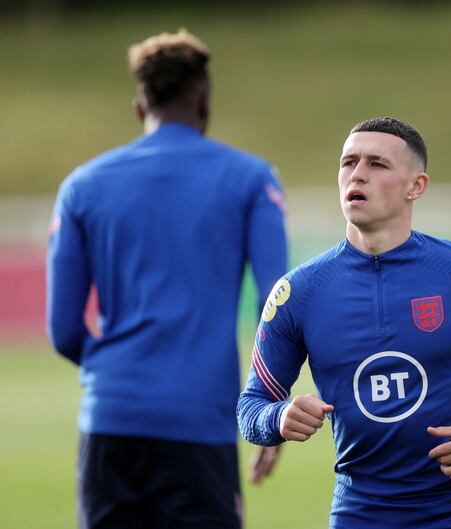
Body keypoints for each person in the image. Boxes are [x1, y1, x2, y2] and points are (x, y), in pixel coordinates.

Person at [237, 116, 451, 528]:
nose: (357, 174)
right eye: (348, 162)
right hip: (360, 512)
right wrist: (277, 419)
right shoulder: (299, 293)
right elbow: (251, 407)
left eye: (377, 164)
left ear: (415, 186)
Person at [46, 29, 288, 529]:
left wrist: (118, 381)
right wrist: (272, 408)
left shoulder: (82, 186)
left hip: (109, 425)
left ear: (140, 108)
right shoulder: (250, 178)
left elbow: (64, 330)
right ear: (204, 103)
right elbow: (277, 305)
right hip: (199, 425)